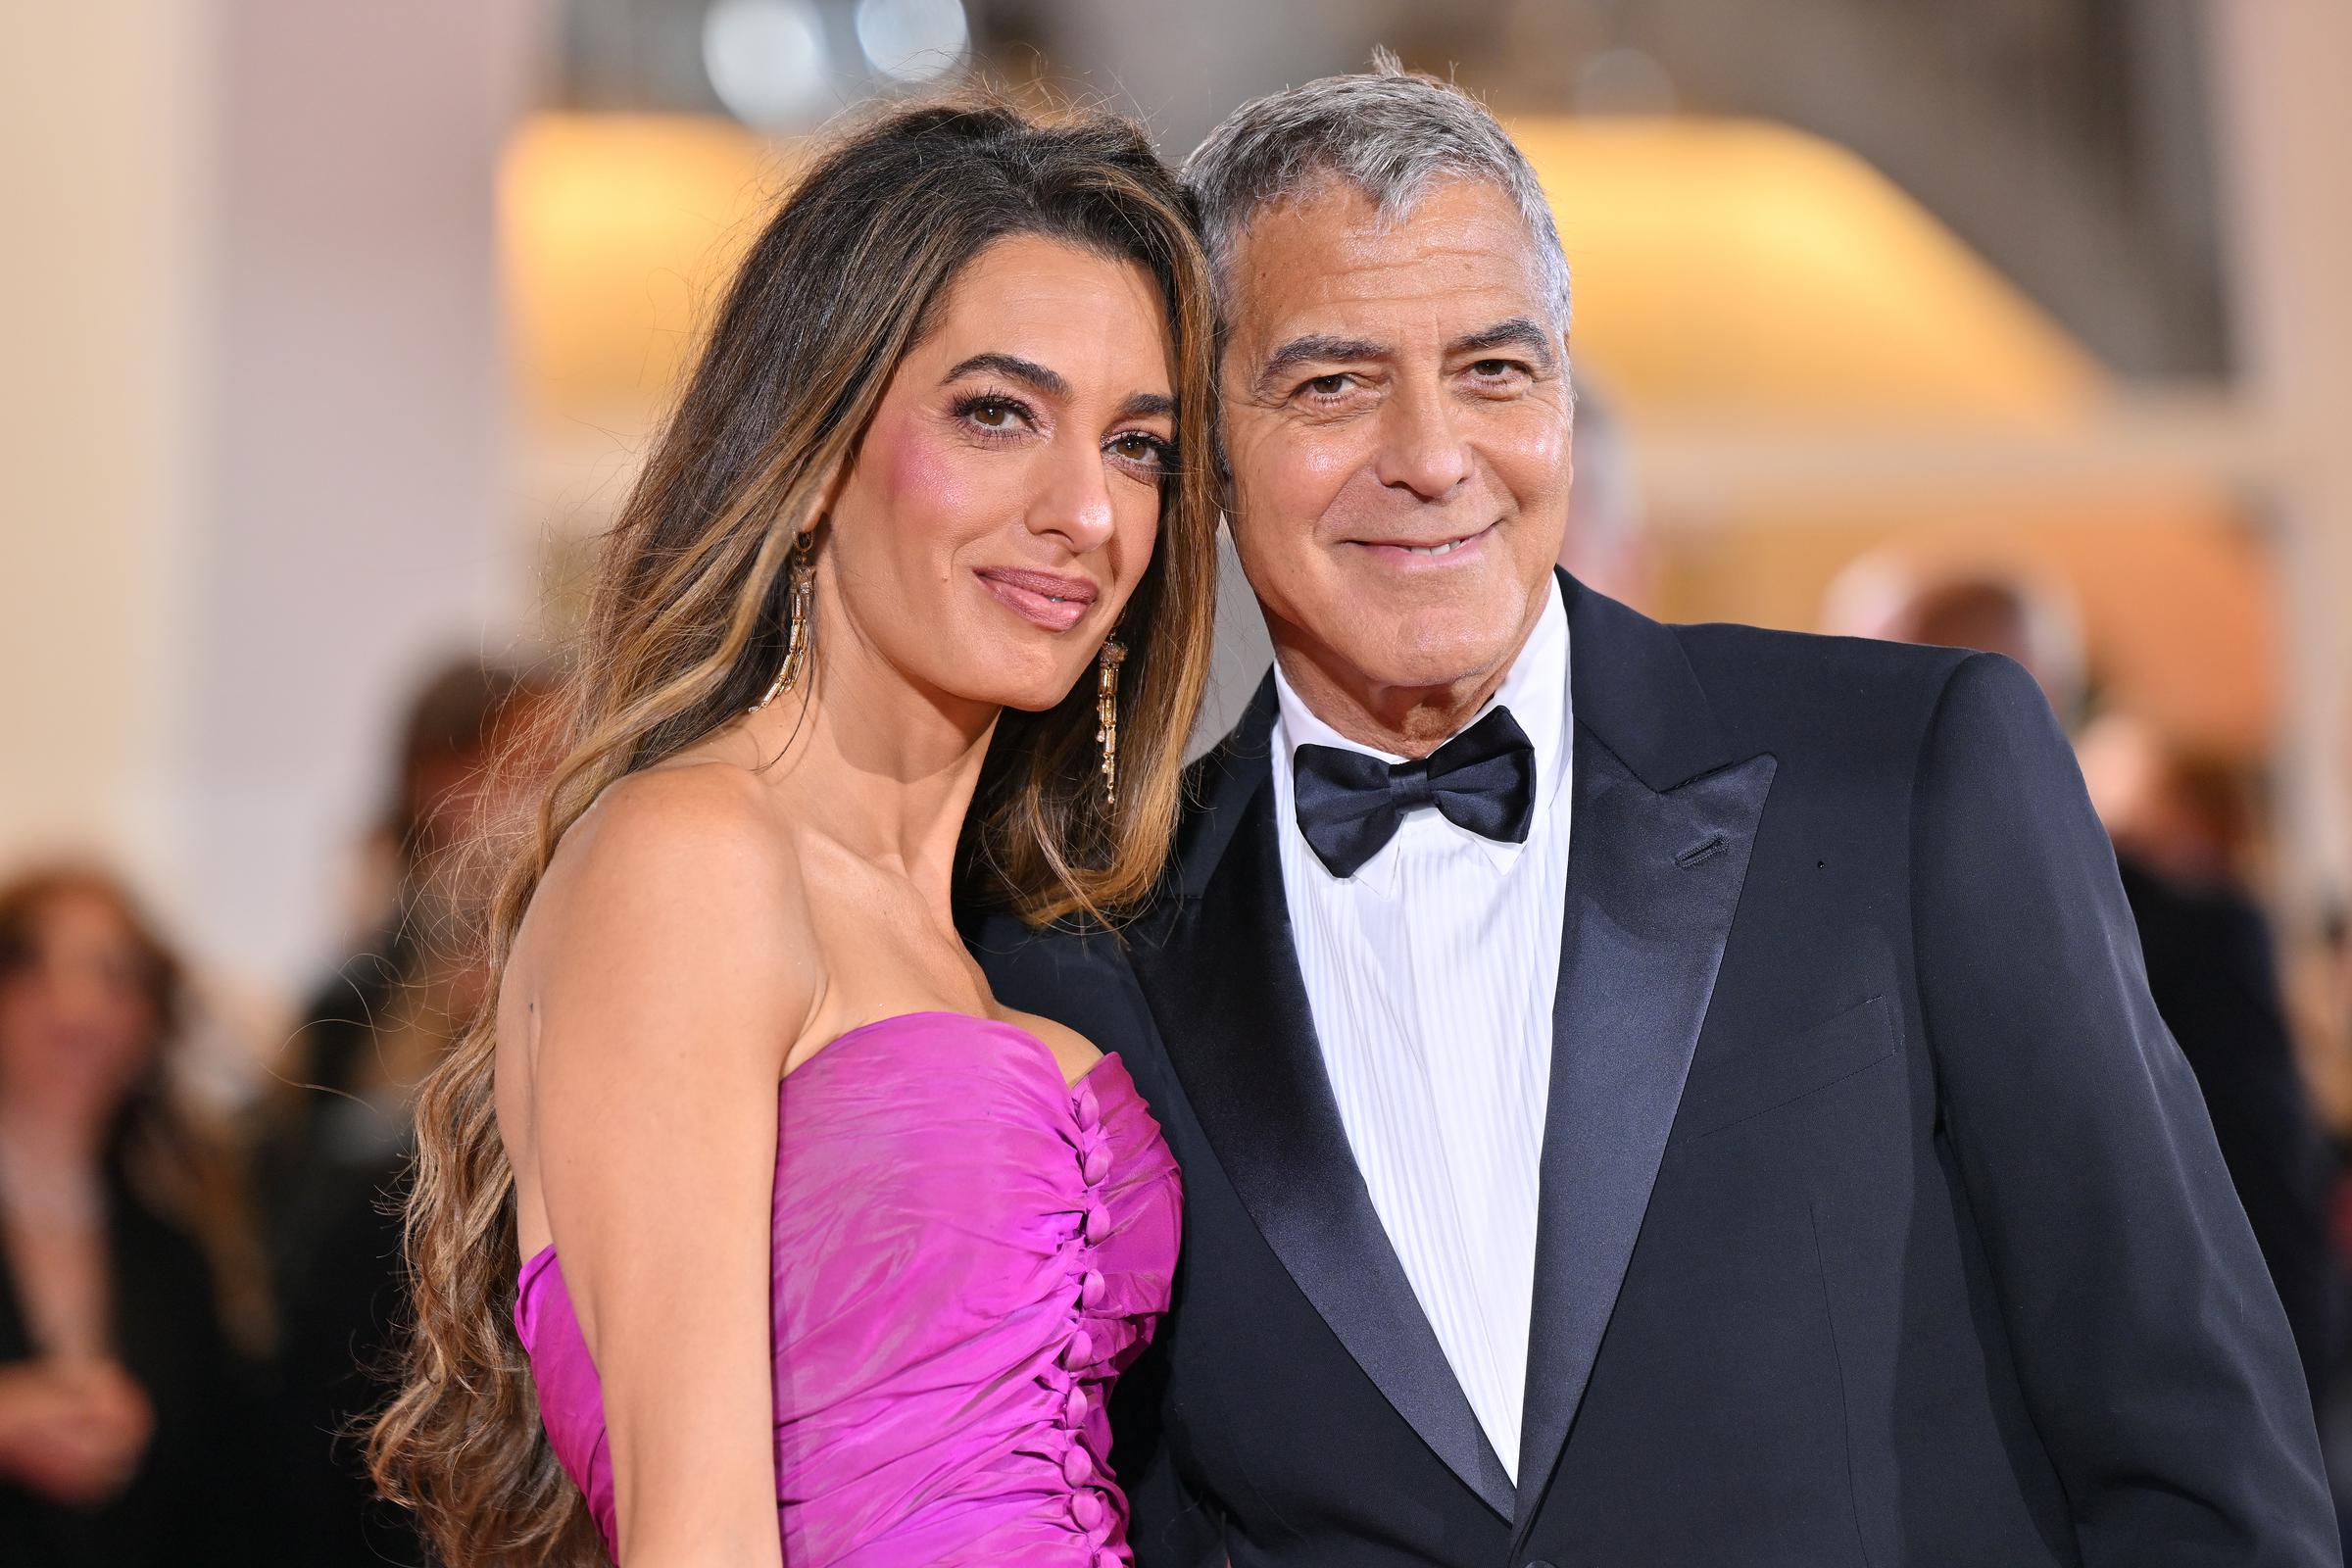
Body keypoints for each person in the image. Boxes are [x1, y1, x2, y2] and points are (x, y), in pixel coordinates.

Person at [970, 57, 2337, 1567]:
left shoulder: (1904, 774)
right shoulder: (1086, 964)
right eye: (1333, 385)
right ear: (1205, 449)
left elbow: (2198, 1454)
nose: (1432, 458)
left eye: (1494, 371)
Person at [369, 97, 1219, 1568]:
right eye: (998, 413)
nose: (1086, 509)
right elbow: (697, 1537)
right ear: (816, 447)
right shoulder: (694, 857)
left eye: (1138, 446)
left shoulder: (972, 935)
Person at [1832, 563, 2342, 1408]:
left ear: (2035, 699)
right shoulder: (1813, 925)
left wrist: (2288, 1454)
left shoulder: (2186, 937)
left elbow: (2264, 1229)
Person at [263, 657, 560, 1568]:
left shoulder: (580, 980)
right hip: (364, 1414)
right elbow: (298, 1243)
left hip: (521, 1417)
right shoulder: (350, 1006)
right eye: (517, 766)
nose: (532, 799)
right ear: (435, 781)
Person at [0, 864, 271, 1567]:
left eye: (115, 975)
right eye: (35, 967)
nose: (76, 1006)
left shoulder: (186, 1235)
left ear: (150, 1019)